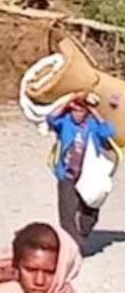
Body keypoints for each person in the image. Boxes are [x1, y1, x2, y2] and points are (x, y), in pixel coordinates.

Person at [47, 92, 116, 247]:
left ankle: (82, 232)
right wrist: (69, 102)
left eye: (80, 111)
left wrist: (94, 111)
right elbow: (51, 118)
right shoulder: (65, 123)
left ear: (86, 113)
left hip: (88, 175)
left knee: (90, 209)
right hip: (67, 173)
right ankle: (72, 246)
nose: (76, 114)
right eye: (74, 111)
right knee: (66, 213)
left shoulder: (92, 126)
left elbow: (108, 132)